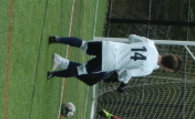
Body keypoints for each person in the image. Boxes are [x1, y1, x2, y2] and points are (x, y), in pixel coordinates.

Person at [47, 34, 183, 91]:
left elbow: (131, 37)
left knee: (84, 44)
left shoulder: (150, 44)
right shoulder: (148, 69)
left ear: (167, 55)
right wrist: (122, 84)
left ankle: (58, 39)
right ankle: (53, 73)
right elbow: (128, 73)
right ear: (166, 68)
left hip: (110, 46)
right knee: (80, 71)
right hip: (110, 62)